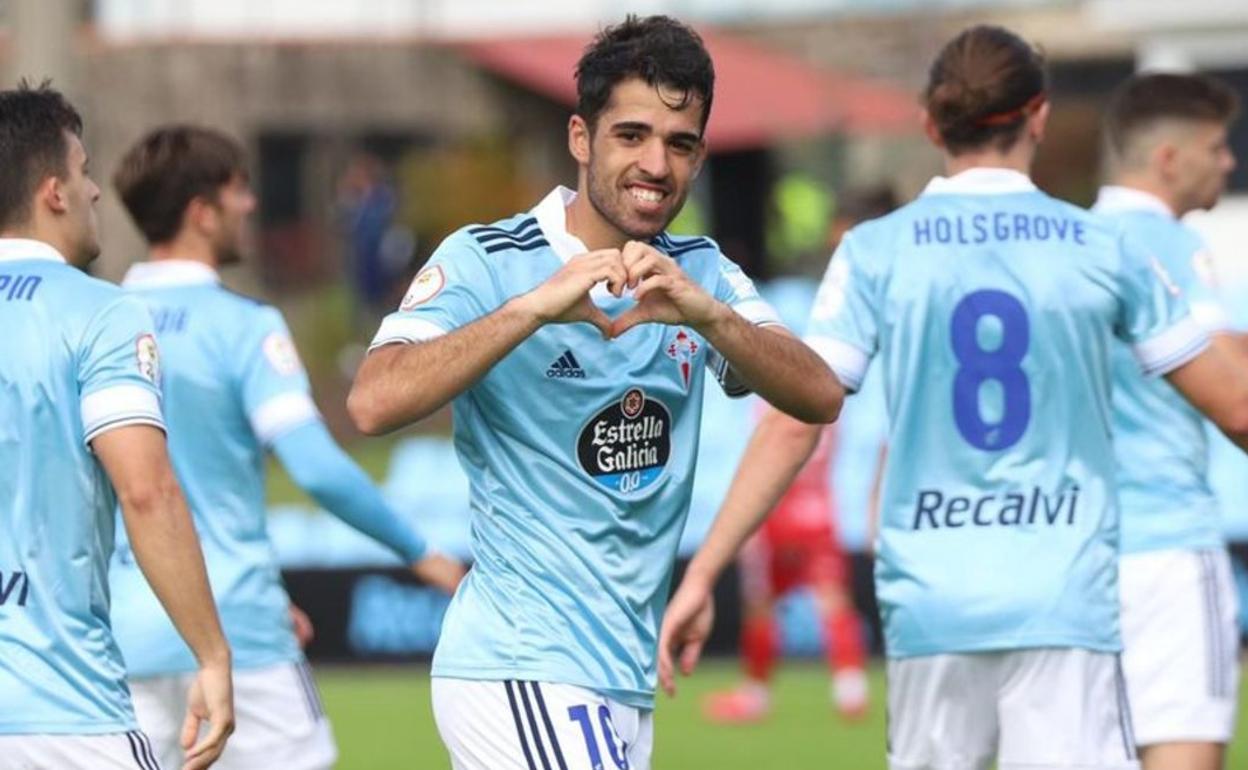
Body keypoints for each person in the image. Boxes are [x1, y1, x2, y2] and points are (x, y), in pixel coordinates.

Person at [658, 25, 1248, 770]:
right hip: (1061, 598)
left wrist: (706, 570)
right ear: (1037, 116)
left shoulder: (875, 251)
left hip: (933, 601)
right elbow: (1238, 409)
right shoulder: (1103, 248)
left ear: (933, 124)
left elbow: (791, 421)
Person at [347, 15, 843, 770]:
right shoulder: (490, 259)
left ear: (701, 157)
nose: (656, 164)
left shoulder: (699, 272)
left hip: (621, 675)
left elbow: (818, 395)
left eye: (680, 145)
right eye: (632, 135)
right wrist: (530, 310)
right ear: (581, 138)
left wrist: (707, 314)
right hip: (525, 666)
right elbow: (372, 403)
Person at [108, 125, 464, 770]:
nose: (251, 207)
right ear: (201, 211)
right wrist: (422, 553)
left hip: (121, 640)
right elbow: (317, 469)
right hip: (236, 630)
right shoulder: (244, 325)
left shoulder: (96, 320)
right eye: (239, 192)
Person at [0, 83, 233, 770]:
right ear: (53, 193)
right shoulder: (102, 314)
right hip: (62, 717)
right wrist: (213, 656)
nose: (96, 192)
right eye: (84, 172)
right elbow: (145, 491)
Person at [703, 187, 899, 725]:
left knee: (762, 600)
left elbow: (781, 432)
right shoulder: (830, 369)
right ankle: (851, 687)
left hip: (775, 503)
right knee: (831, 595)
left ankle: (758, 693)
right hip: (821, 506)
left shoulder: (774, 368)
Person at [1095, 72, 1243, 770]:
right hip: (1169, 549)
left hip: (1076, 554)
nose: (1229, 162)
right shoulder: (1170, 246)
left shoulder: (1072, 244)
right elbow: (1236, 400)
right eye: (1217, 147)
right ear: (1168, 159)